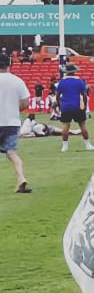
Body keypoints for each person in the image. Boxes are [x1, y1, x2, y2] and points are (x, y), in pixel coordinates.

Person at [0, 52, 31, 192]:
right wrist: (14, 109)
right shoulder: (17, 80)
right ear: (9, 64)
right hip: (11, 121)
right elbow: (25, 103)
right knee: (11, 152)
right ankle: (21, 177)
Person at [56, 64, 94, 152]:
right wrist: (84, 106)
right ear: (74, 72)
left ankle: (65, 146)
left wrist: (59, 106)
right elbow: (84, 95)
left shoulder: (62, 82)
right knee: (82, 125)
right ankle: (88, 144)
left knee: (65, 126)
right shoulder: (79, 81)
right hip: (77, 106)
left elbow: (57, 96)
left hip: (66, 106)